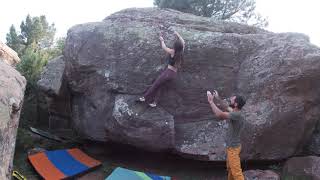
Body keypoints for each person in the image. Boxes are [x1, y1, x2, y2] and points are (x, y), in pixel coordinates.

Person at [138, 30, 185, 107]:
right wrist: (178, 35)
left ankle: (144, 97)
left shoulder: (172, 51)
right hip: (173, 74)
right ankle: (154, 103)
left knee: (155, 84)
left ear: (175, 47)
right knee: (161, 86)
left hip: (168, 72)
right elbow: (183, 42)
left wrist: (162, 40)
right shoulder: (181, 51)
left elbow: (164, 47)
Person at [207, 90, 246, 180]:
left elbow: (219, 114)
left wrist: (211, 102)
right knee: (231, 169)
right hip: (232, 147)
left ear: (236, 104)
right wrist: (218, 98)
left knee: (237, 173)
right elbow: (227, 107)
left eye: (233, 99)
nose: (231, 99)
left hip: (233, 149)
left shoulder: (236, 115)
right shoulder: (235, 111)